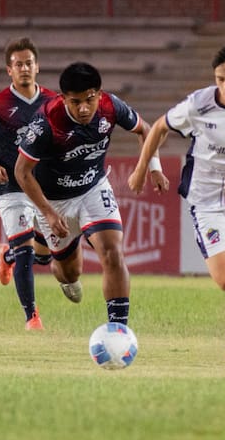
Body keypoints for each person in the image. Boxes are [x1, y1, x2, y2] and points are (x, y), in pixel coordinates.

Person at [128, 37, 225, 369]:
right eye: (220, 79)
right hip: (208, 202)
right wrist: (144, 168)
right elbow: (159, 127)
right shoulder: (199, 104)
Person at [14, 61, 159, 328]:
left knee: (113, 252)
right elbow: (21, 172)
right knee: (69, 272)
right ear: (63, 99)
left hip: (93, 188)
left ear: (99, 94)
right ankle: (43, 238)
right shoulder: (46, 121)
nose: (83, 108)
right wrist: (46, 211)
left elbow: (146, 130)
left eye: (89, 100)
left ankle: (118, 330)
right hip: (55, 203)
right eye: (75, 102)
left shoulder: (111, 107)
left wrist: (149, 169)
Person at [0, 37, 62, 331]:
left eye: (29, 63)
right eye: (18, 64)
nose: (24, 68)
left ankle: (5, 255)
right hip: (11, 186)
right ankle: (32, 317)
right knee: (25, 249)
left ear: (38, 66)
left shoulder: (52, 101)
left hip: (43, 185)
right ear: (9, 70)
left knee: (45, 256)